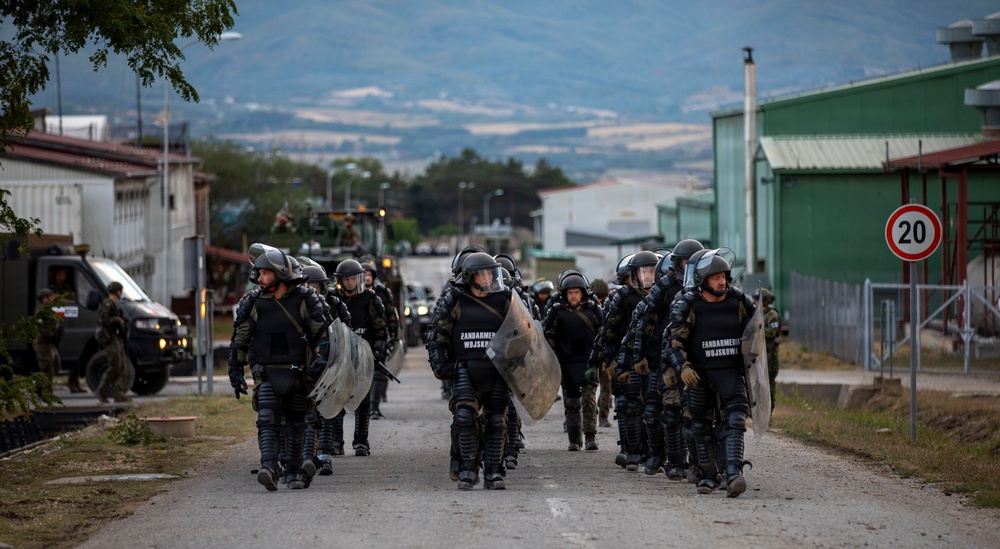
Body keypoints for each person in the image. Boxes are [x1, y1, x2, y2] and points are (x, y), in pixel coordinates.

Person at [229, 245, 331, 491]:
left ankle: (294, 471)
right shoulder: (253, 303)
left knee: (296, 423)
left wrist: (322, 357)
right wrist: (235, 370)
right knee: (267, 419)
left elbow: (322, 335)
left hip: (299, 373)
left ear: (280, 273)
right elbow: (241, 339)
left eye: (265, 273)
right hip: (266, 372)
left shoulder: (306, 300)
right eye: (259, 273)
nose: (259, 278)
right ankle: (269, 467)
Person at [665, 248, 756, 497]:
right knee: (700, 425)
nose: (722, 281)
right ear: (703, 280)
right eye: (716, 277)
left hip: (731, 372)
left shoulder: (739, 301)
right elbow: (674, 342)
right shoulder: (688, 304)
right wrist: (683, 368)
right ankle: (707, 475)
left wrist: (758, 344)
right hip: (699, 376)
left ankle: (733, 474)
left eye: (724, 276)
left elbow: (756, 332)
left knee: (735, 422)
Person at [428, 252, 512, 490]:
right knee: (464, 417)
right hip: (465, 367)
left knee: (496, 420)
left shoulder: (505, 300)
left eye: (489, 273)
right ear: (470, 276)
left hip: (497, 370)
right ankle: (467, 469)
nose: (486, 277)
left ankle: (494, 472)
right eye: (481, 273)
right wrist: (440, 364)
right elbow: (438, 335)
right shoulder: (455, 300)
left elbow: (522, 334)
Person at [622, 239, 703, 478]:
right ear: (677, 263)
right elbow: (644, 321)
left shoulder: (709, 286)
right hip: (664, 358)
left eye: (694, 262)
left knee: (695, 416)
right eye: (685, 262)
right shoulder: (665, 286)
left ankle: (699, 465)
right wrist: (638, 356)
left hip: (697, 360)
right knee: (664, 413)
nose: (689, 267)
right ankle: (668, 460)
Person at [601, 251, 658, 471]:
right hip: (629, 359)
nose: (648, 276)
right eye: (644, 272)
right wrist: (611, 360)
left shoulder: (664, 296)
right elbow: (609, 331)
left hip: (653, 360)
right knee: (630, 406)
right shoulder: (623, 297)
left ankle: (654, 453)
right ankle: (632, 452)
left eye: (652, 271)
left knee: (653, 408)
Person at [298, 258, 351, 477]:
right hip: (305, 365)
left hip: (330, 365)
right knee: (309, 414)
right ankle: (307, 456)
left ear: (324, 286)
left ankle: (325, 454)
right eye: (307, 286)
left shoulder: (335, 306)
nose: (312, 290)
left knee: (327, 412)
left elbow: (346, 334)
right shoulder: (298, 305)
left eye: (316, 286)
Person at [330, 259, 388, 457]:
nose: (349, 283)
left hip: (364, 359)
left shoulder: (371, 300)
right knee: (337, 401)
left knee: (363, 401)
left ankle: (361, 442)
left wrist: (378, 351)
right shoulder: (332, 300)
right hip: (339, 359)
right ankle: (336, 442)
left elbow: (380, 330)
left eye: (353, 279)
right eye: (345, 279)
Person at [543, 271, 604, 451]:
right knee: (571, 402)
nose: (573, 296)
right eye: (570, 293)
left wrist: (601, 357)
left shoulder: (593, 310)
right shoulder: (556, 311)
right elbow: (548, 336)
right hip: (566, 362)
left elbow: (603, 334)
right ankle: (574, 440)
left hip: (588, 361)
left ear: (583, 293)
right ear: (564, 294)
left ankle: (591, 437)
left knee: (589, 400)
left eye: (576, 292)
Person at [361, 257, 398, 419]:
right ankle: (362, 407)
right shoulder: (353, 294)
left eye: (369, 274)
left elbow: (391, 313)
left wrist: (393, 333)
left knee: (377, 373)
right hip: (359, 338)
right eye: (363, 275)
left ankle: (374, 407)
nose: (366, 277)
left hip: (378, 337)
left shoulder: (381, 292)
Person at [96, 281, 130, 403]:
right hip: (109, 338)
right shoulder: (108, 304)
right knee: (115, 365)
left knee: (121, 367)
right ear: (117, 291)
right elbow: (103, 320)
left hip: (116, 338)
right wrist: (117, 320)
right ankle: (102, 390)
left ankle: (118, 393)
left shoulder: (115, 305)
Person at [754, 287, 781, 411]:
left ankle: (769, 409)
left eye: (757, 299)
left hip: (769, 354)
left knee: (768, 383)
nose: (755, 301)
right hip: (758, 353)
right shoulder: (756, 313)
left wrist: (759, 331)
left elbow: (773, 331)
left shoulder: (772, 315)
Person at [33, 289, 63, 390]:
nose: (53, 298)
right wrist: (51, 334)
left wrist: (58, 332)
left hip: (50, 344)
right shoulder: (41, 311)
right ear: (44, 299)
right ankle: (47, 392)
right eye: (50, 297)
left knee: (56, 366)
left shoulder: (50, 310)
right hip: (43, 344)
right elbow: (41, 328)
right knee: (47, 368)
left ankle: (39, 386)